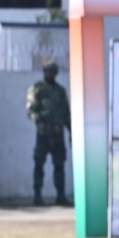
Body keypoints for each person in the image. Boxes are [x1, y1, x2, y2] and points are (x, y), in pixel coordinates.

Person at [27, 62, 70, 205]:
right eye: (48, 71)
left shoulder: (60, 91)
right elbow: (31, 109)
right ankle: (37, 195)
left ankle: (61, 195)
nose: (50, 74)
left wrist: (71, 131)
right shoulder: (37, 88)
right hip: (43, 134)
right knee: (39, 165)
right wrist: (39, 120)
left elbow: (66, 113)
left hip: (58, 134)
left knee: (59, 165)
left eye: (53, 71)